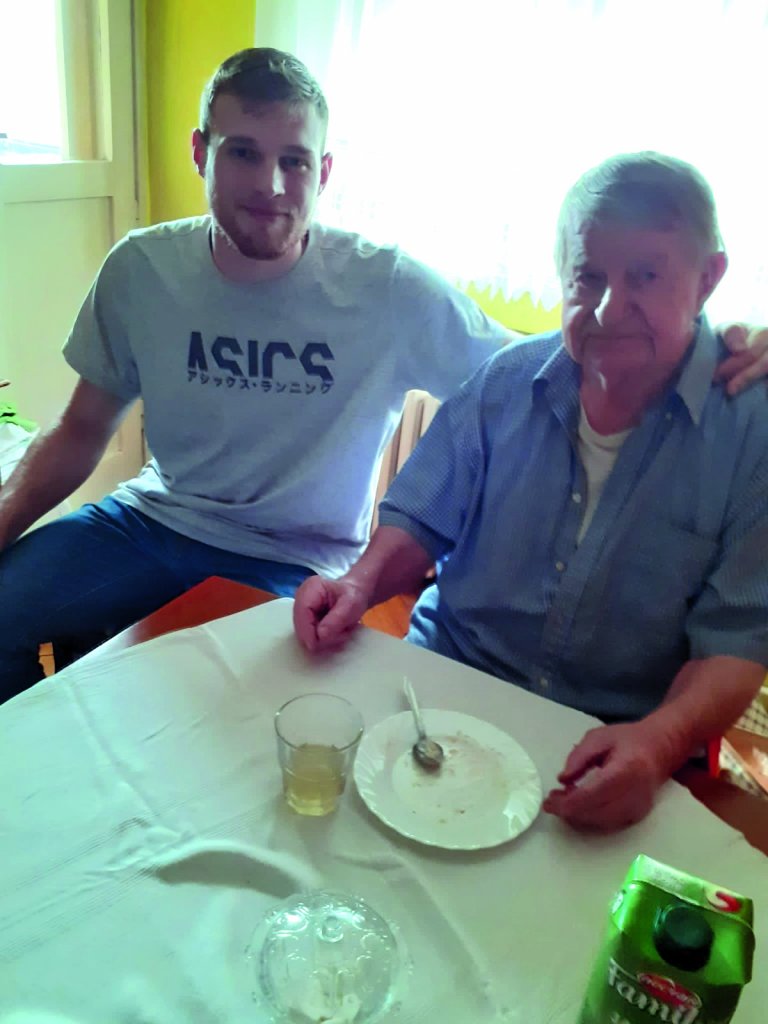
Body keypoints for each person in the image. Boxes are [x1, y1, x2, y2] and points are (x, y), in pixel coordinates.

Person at [0, 50, 763, 699]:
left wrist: (719, 334)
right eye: (243, 153)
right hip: (148, 520)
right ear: (200, 152)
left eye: (294, 161)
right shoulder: (141, 269)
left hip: (289, 558)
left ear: (323, 170)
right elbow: (79, 430)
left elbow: (552, 357)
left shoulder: (384, 287)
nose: (271, 185)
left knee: (247, 710)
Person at [294, 152, 768, 833]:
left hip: (611, 741)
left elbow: (738, 640)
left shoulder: (753, 432)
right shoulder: (505, 382)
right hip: (443, 694)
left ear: (709, 278)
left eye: (645, 275)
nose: (609, 308)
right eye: (589, 276)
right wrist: (358, 584)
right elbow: (420, 516)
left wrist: (660, 742)